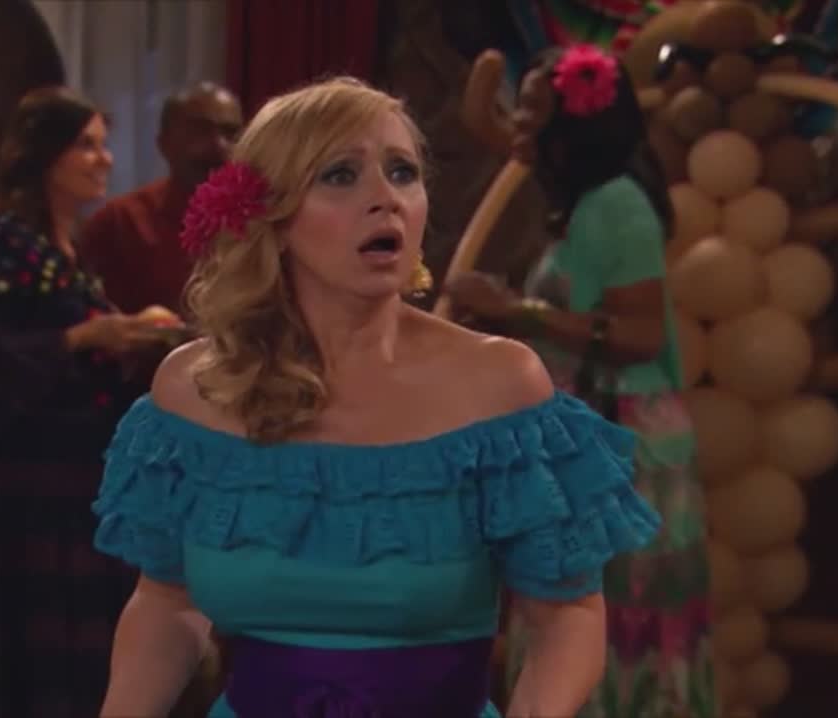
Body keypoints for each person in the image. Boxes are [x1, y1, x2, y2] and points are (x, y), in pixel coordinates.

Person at [91, 76, 662, 718]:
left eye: (402, 172)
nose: (385, 198)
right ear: (272, 216)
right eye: (341, 174)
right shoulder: (194, 390)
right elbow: (167, 603)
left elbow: (566, 617)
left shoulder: (498, 384)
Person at [445, 44, 716, 718]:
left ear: (575, 124)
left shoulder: (618, 204)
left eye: (532, 109)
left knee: (609, 632)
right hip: (585, 444)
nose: (518, 123)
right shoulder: (586, 205)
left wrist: (520, 311)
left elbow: (640, 335)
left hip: (623, 448)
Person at [0, 85, 178, 718]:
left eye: (104, 144)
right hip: (21, 497)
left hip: (71, 489)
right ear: (46, 155)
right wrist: (88, 336)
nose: (104, 159)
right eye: (86, 145)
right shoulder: (3, 245)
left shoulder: (63, 249)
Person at [79, 82, 243, 315]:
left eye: (230, 133)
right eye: (200, 131)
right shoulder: (119, 222)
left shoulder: (264, 220)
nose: (219, 145)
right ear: (164, 144)